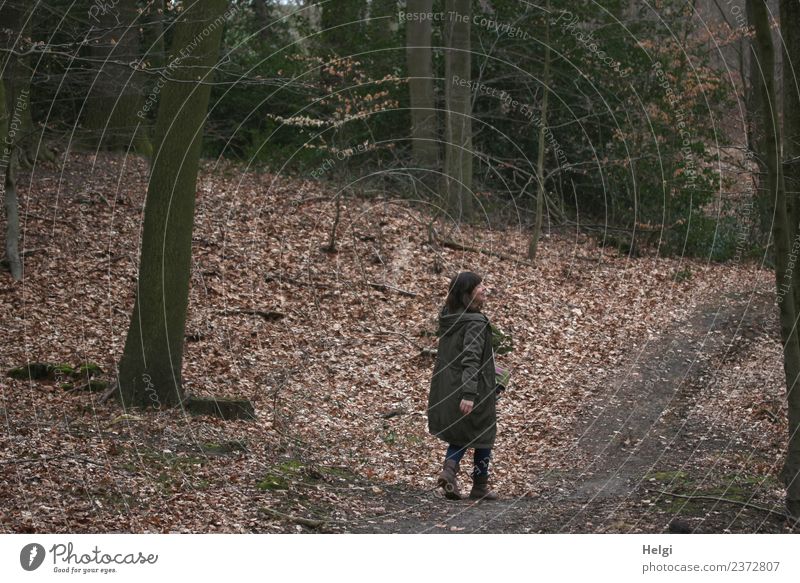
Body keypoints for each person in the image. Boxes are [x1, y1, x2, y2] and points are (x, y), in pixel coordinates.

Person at [427, 271, 498, 501]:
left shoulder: (450, 317)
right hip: (472, 387)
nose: (485, 288)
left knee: (463, 432)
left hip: (449, 385)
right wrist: (470, 393)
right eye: (479, 286)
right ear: (467, 294)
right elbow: (471, 358)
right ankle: (478, 484)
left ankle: (450, 472)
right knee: (484, 433)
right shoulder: (475, 323)